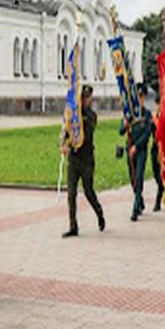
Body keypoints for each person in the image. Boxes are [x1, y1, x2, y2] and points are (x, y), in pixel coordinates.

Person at [61, 85, 106, 237]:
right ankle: (73, 226)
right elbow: (66, 132)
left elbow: (85, 135)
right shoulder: (73, 115)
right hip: (74, 159)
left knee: (88, 191)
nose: (88, 100)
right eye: (85, 98)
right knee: (71, 193)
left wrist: (72, 138)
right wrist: (64, 144)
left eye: (89, 98)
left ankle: (99, 213)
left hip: (86, 159)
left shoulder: (91, 116)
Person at [120, 83, 153, 221]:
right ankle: (140, 200)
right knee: (133, 178)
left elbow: (147, 134)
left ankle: (135, 209)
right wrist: (125, 124)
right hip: (130, 149)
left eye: (141, 97)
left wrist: (136, 147)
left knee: (139, 177)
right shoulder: (130, 114)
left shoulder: (147, 114)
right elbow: (121, 131)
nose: (139, 99)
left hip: (140, 151)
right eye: (137, 96)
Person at [149, 106, 165, 212]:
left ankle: (158, 201)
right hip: (155, 149)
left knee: (162, 176)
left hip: (164, 149)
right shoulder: (153, 120)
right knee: (156, 174)